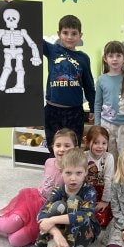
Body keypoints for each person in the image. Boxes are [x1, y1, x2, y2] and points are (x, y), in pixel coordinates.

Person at [0, 128, 78, 247]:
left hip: (49, 211)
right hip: (34, 199)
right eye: (58, 145)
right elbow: (45, 183)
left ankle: (11, 225)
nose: (62, 149)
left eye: (67, 146)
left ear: (75, 148)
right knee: (10, 225)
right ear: (52, 146)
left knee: (15, 241)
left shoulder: (75, 173)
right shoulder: (49, 162)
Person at [18, 148, 100, 247]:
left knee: (74, 200)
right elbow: (41, 214)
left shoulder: (89, 191)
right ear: (61, 172)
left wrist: (52, 220)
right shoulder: (58, 190)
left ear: (86, 172)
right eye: (68, 173)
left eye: (78, 173)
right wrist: (56, 233)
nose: (73, 178)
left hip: (84, 236)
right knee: (58, 205)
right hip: (64, 230)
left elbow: (85, 216)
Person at [44, 15, 95, 154]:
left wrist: (93, 108)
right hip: (52, 111)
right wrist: (18, 9)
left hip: (74, 112)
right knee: (54, 149)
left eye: (74, 33)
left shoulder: (83, 58)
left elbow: (89, 86)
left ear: (80, 35)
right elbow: (33, 35)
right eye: (65, 33)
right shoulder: (52, 50)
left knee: (73, 151)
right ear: (59, 34)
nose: (69, 37)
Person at [84, 125, 115, 228]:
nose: (100, 146)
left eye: (104, 143)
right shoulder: (84, 156)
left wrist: (105, 201)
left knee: (102, 219)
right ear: (88, 142)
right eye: (96, 143)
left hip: (104, 192)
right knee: (81, 212)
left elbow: (108, 180)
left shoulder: (109, 157)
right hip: (87, 191)